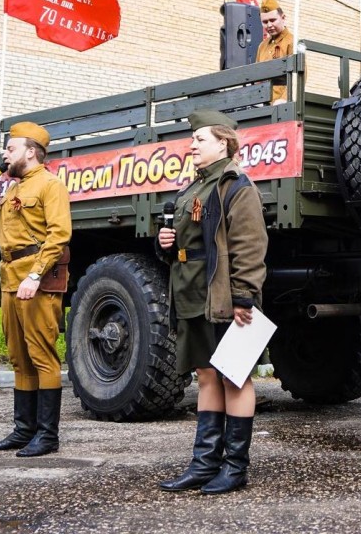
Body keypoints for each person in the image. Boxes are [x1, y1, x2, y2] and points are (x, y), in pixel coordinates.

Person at [157, 109, 268, 494]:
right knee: (205, 374)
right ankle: (204, 465)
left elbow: (250, 247)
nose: (192, 145)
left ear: (223, 142)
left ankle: (234, 468)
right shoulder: (194, 188)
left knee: (233, 376)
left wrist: (244, 296)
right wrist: (165, 245)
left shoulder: (236, 186)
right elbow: (191, 243)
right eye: (192, 140)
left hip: (222, 295)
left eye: (199, 139)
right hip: (191, 292)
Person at [0, 121, 72, 458]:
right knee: (18, 357)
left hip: (36, 279)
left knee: (42, 355)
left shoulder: (50, 185)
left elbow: (59, 235)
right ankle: (24, 430)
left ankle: (47, 435)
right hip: (9, 278)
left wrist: (35, 276)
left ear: (31, 152)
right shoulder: (11, 188)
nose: (5, 154)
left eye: (11, 148)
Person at [255, 0, 294, 104]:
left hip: (282, 105)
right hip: (263, 104)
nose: (269, 25)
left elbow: (298, 77)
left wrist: (284, 99)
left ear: (283, 17)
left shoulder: (292, 42)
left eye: (273, 20)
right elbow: (257, 77)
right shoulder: (262, 46)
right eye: (265, 22)